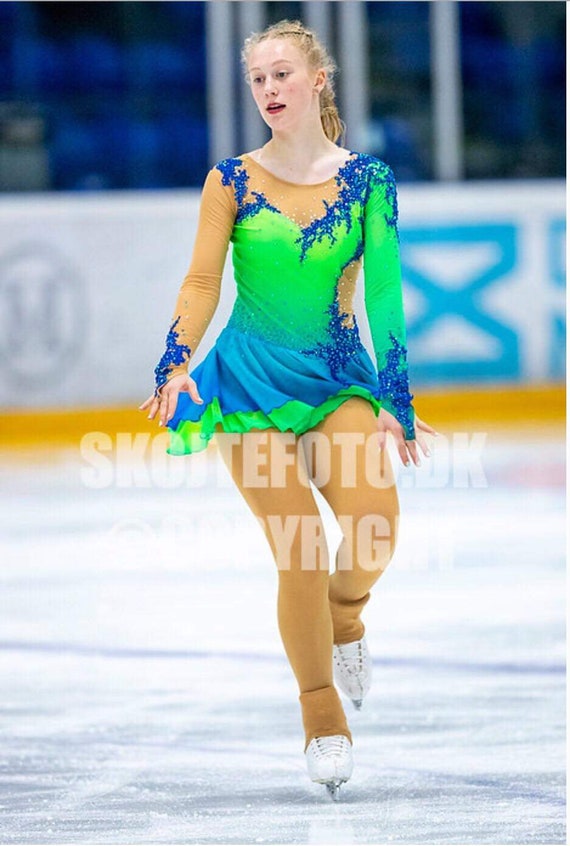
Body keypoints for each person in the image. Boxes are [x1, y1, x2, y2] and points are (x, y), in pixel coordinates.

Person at [140, 18, 435, 800]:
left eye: (282, 75)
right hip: (247, 389)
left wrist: (396, 396)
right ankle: (321, 715)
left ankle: (346, 618)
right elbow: (203, 284)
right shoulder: (229, 181)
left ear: (318, 81)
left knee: (376, 528)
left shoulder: (369, 180)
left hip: (338, 377)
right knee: (300, 545)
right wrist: (174, 360)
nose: (270, 90)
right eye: (258, 80)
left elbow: (382, 292)